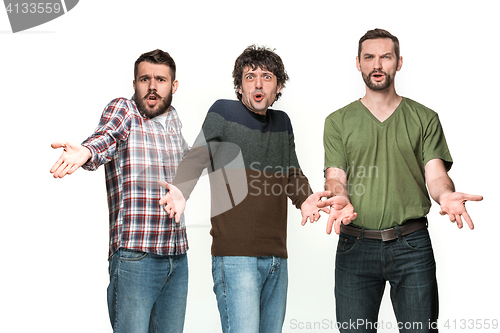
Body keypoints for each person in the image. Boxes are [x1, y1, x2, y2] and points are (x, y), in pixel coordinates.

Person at [320, 29, 483, 332]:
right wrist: (338, 196)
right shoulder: (338, 121)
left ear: (399, 62)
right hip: (355, 245)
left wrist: (445, 195)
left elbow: (435, 174)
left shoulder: (424, 118)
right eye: (369, 57)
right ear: (358, 63)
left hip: (412, 245)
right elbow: (335, 175)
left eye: (386, 56)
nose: (377, 64)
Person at [160, 45, 330, 333]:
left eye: (267, 76)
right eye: (250, 77)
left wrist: (305, 199)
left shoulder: (282, 123)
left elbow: (291, 172)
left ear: (278, 87)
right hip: (236, 258)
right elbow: (199, 155)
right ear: (240, 86)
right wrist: (181, 190)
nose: (259, 83)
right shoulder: (223, 112)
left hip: (277, 257)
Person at [50, 49, 190, 333]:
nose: (152, 87)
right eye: (144, 79)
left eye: (161, 80)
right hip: (136, 257)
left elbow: (188, 165)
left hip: (177, 257)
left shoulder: (174, 120)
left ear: (173, 86)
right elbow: (106, 138)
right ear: (135, 83)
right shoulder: (124, 110)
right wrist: (87, 152)